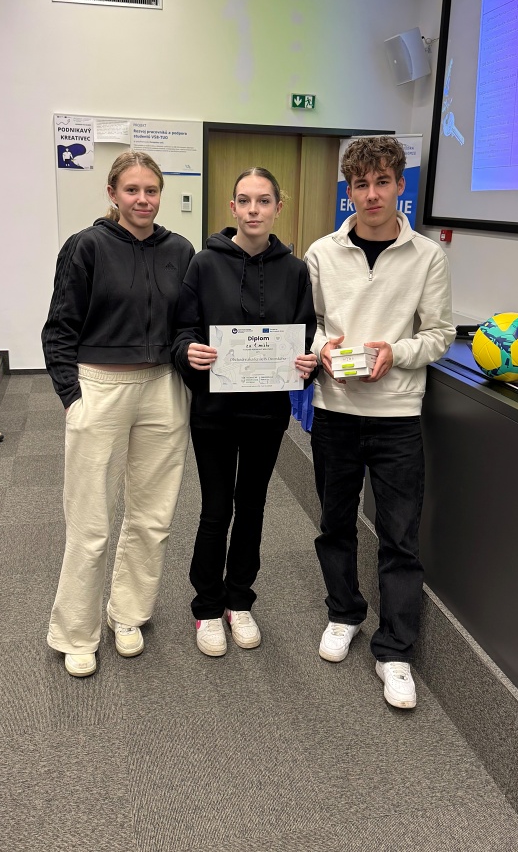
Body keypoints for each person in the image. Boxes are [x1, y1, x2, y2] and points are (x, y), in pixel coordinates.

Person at [304, 136, 455, 708]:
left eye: (382, 182)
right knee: (334, 524)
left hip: (396, 416)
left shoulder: (427, 256)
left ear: (399, 186)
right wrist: (323, 348)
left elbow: (439, 334)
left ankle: (394, 651)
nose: (372, 194)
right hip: (335, 412)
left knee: (399, 536)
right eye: (361, 184)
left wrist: (397, 352)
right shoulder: (322, 252)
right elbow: (310, 323)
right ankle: (344, 613)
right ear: (349, 191)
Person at [42, 151, 194, 677]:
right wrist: (73, 397)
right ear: (112, 193)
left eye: (151, 190)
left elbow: (187, 325)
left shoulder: (180, 250)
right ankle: (76, 631)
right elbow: (59, 327)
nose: (143, 200)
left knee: (153, 517)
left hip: (164, 389)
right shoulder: (86, 246)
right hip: (100, 388)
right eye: (132, 190)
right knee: (91, 521)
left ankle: (128, 613)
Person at [172, 167, 317, 657]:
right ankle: (207, 606)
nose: (254, 210)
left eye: (263, 201)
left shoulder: (295, 271)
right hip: (213, 411)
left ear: (278, 207)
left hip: (266, 414)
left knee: (252, 507)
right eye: (245, 200)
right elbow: (182, 330)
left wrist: (308, 363)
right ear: (232, 207)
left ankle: (239, 599)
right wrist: (187, 351)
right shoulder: (203, 264)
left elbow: (306, 337)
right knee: (215, 509)